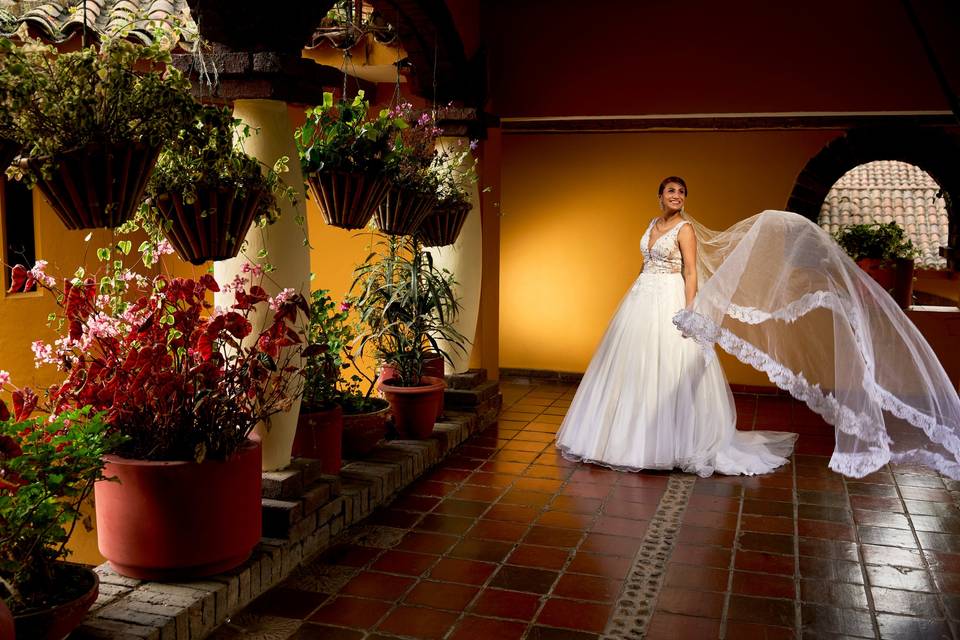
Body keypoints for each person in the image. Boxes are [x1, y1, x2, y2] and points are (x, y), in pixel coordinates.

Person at [555, 176, 797, 476]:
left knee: (666, 365)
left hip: (670, 297)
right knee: (632, 365)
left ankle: (670, 442)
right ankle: (619, 439)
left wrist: (689, 310)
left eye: (682, 192)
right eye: (671, 191)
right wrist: (635, 289)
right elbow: (644, 264)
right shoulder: (651, 224)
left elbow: (692, 271)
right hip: (641, 296)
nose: (677, 196)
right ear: (660, 196)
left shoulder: (685, 229)